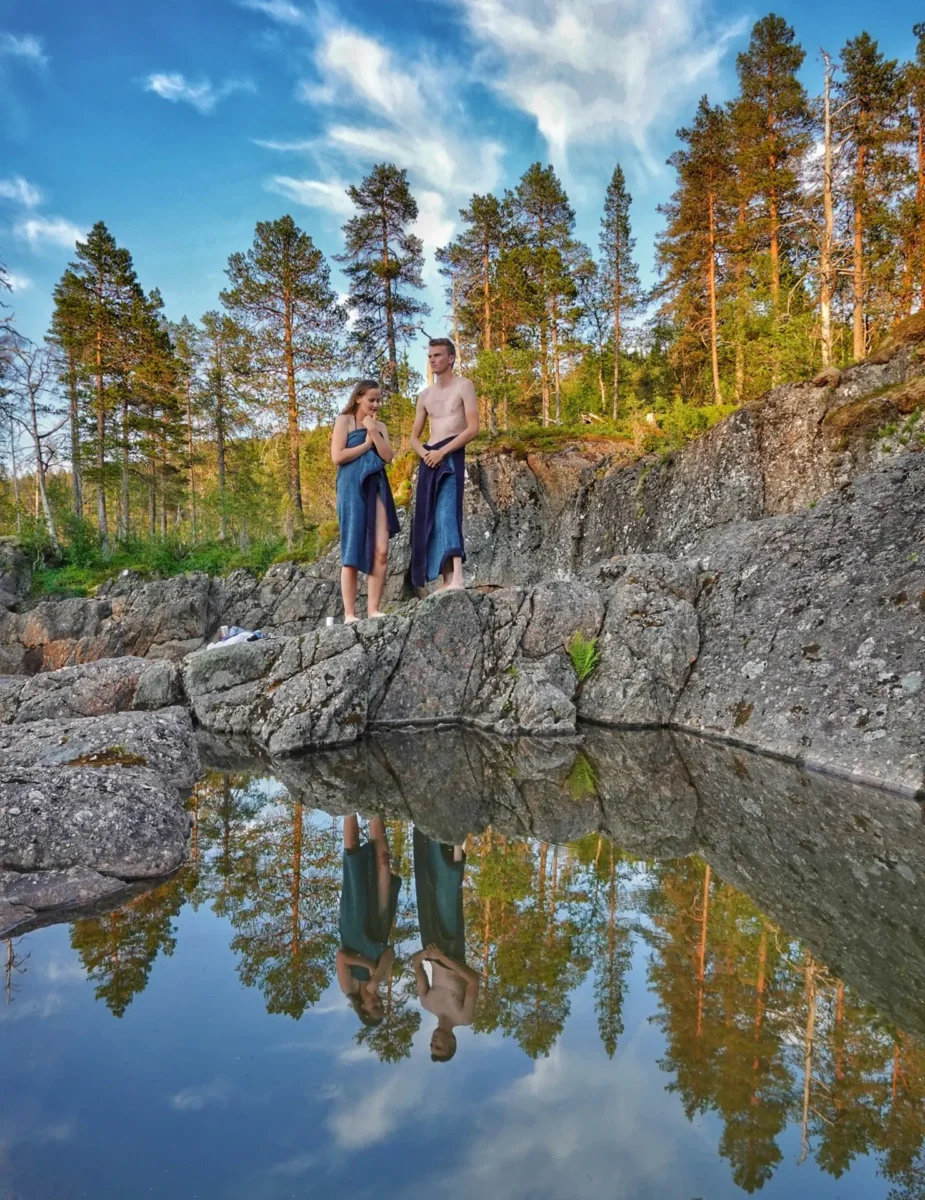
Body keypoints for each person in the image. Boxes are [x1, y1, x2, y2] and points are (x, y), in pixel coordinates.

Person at [409, 339, 479, 592]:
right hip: (429, 457)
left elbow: (473, 428)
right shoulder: (425, 395)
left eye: (438, 355)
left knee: (448, 512)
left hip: (451, 453)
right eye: (430, 356)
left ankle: (458, 577)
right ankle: (446, 579)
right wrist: (426, 454)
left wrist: (443, 452)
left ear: (451, 358)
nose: (432, 360)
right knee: (430, 517)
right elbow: (413, 438)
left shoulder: (464, 386)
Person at [331, 379, 400, 623]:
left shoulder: (379, 425)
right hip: (350, 487)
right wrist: (366, 445)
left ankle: (373, 609)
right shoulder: (344, 421)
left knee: (381, 550)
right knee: (352, 548)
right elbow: (337, 456)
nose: (376, 404)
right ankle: (350, 614)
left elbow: (388, 456)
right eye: (371, 399)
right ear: (358, 397)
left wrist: (373, 431)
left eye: (379, 400)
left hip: (377, 486)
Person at [411, 827, 479, 1062]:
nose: (433, 1043)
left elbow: (415, 965)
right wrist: (443, 957)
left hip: (431, 949)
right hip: (452, 952)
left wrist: (425, 955)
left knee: (426, 890)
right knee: (448, 895)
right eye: (439, 1047)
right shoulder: (464, 1017)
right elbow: (473, 980)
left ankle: (423, 831)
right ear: (451, 1043)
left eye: (431, 1046)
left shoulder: (427, 1003)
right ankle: (457, 835)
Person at [336, 815, 401, 1028]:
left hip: (353, 922)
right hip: (379, 922)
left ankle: (348, 808)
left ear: (362, 1008)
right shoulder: (380, 978)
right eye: (381, 1006)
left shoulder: (350, 988)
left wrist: (369, 965)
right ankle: (375, 809)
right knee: (383, 864)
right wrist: (376, 978)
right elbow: (389, 953)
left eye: (374, 1007)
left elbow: (341, 957)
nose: (378, 1003)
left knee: (353, 860)